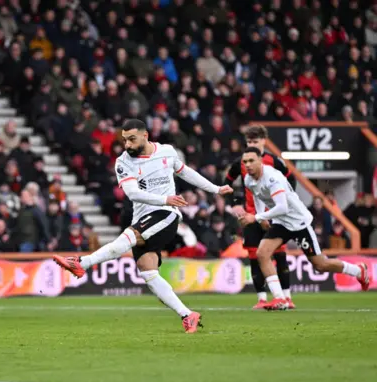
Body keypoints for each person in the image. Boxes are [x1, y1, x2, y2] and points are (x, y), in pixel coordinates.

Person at [53, 119, 233, 334]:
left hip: (166, 215)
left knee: (129, 236)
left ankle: (83, 262)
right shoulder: (123, 162)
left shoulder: (167, 151)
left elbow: (185, 172)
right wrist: (165, 198)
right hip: (146, 215)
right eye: (124, 140)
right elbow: (133, 193)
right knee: (149, 274)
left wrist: (215, 189)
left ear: (145, 135)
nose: (127, 145)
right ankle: (188, 315)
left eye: (131, 139)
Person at [238, 148, 370, 310]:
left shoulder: (273, 178)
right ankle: (280, 299)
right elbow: (258, 197)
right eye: (245, 162)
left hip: (298, 222)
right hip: (281, 223)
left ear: (260, 161)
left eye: (251, 161)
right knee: (262, 253)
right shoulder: (248, 180)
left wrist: (256, 217)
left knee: (320, 264)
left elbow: (283, 207)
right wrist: (261, 216)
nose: (248, 165)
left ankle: (358, 270)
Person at [225, 125, 297, 310]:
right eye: (249, 142)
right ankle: (262, 299)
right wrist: (234, 202)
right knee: (254, 257)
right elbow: (227, 182)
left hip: (274, 216)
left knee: (279, 255)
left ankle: (287, 298)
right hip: (250, 216)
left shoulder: (275, 161)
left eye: (255, 141)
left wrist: (287, 203)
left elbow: (292, 179)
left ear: (264, 141)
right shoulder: (241, 162)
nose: (252, 145)